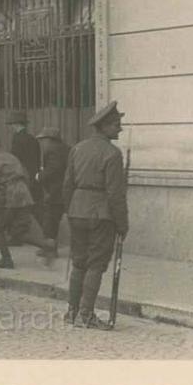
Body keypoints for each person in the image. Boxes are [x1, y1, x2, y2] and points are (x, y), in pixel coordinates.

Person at [63, 101, 129, 330]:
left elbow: (67, 185)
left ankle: (71, 312)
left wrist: (69, 210)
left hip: (77, 211)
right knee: (96, 264)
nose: (120, 129)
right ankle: (86, 314)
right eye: (116, 125)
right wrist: (123, 223)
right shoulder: (112, 154)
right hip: (101, 214)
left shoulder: (77, 148)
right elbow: (115, 194)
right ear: (105, 127)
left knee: (79, 262)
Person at [0, 130, 55, 269]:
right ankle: (47, 245)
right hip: (23, 194)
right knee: (19, 231)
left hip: (9, 195)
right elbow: (26, 174)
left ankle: (6, 259)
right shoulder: (10, 156)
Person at [5, 110, 42, 245]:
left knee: (19, 208)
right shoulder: (33, 139)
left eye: (11, 125)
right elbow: (37, 160)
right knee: (33, 207)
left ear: (15, 125)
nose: (10, 128)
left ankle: (19, 237)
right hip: (33, 177)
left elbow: (15, 160)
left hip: (22, 178)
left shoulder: (17, 139)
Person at [35, 127, 70, 259]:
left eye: (43, 140)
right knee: (57, 220)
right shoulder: (67, 148)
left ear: (50, 139)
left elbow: (54, 169)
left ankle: (50, 250)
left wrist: (40, 176)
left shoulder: (53, 150)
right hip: (65, 191)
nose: (42, 143)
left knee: (50, 222)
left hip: (56, 192)